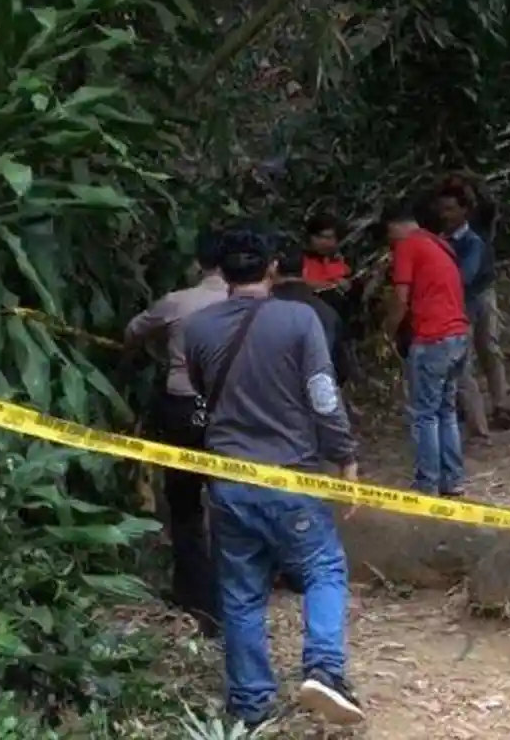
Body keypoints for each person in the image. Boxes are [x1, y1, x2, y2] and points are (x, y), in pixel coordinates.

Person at [183, 226, 363, 729]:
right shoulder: (299, 318)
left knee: (240, 592)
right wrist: (344, 455)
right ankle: (325, 668)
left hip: (228, 481)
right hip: (291, 475)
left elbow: (202, 391)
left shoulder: (196, 329)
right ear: (273, 269)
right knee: (324, 569)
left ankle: (249, 703)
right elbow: (323, 395)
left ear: (221, 272)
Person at [123, 230, 227, 637]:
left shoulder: (177, 302)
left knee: (184, 505)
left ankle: (195, 597)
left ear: (199, 262)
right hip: (231, 411)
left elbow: (133, 331)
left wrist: (149, 353)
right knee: (231, 501)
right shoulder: (248, 304)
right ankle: (235, 595)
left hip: (183, 408)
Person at [384, 202, 470, 496]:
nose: (391, 243)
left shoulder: (408, 246)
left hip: (432, 337)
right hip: (457, 333)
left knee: (425, 414)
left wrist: (389, 331)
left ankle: (427, 482)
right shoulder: (440, 244)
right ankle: (453, 478)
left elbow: (401, 296)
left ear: (396, 226)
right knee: (446, 411)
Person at [433, 177, 510, 440]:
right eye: (443, 209)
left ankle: (499, 405)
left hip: (478, 296)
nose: (445, 215)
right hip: (464, 301)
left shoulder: (473, 237)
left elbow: (464, 278)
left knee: (488, 350)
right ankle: (478, 420)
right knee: (467, 359)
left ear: (464, 210)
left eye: (450, 209)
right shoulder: (445, 238)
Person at [273, 245, 355, 387]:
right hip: (310, 393)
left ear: (272, 271)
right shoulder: (325, 312)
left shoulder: (257, 309)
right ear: (305, 271)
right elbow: (339, 368)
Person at [302, 214, 352, 293]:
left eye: (329, 238)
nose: (323, 242)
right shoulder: (296, 258)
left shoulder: (342, 267)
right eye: (319, 236)